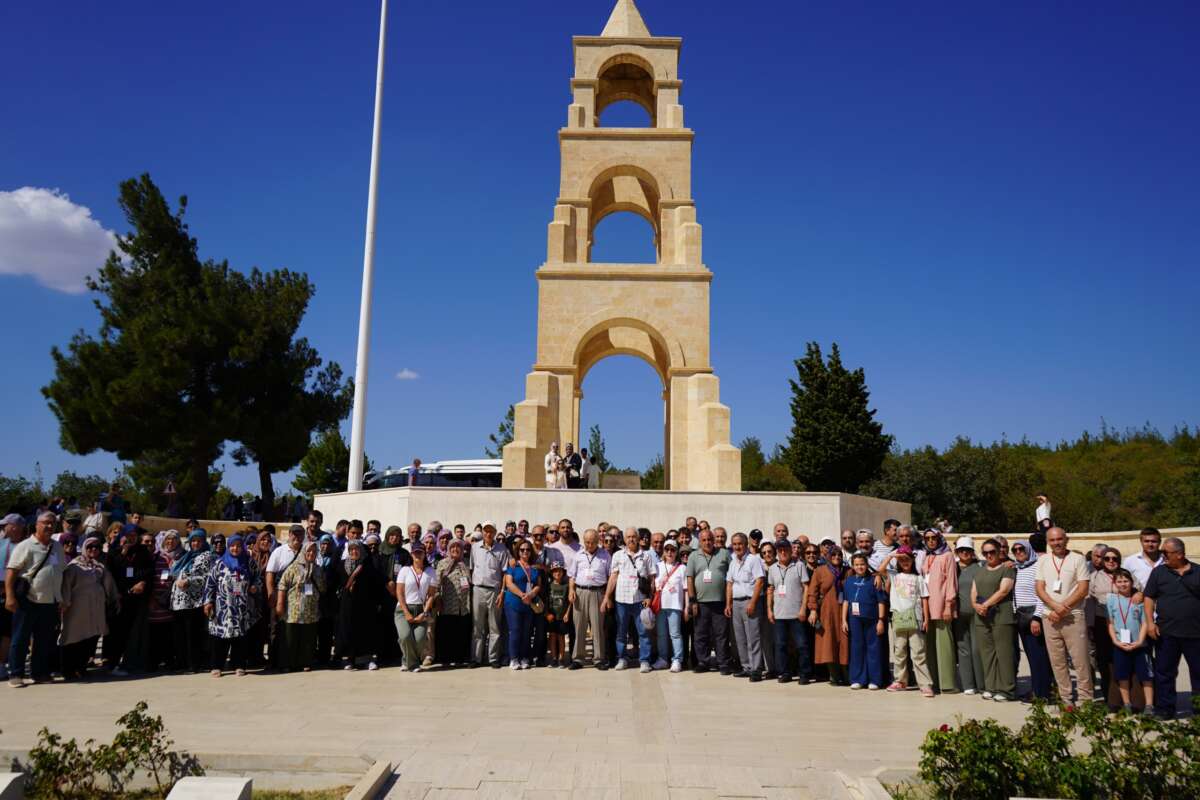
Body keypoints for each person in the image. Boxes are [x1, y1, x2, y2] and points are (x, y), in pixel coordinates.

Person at [5, 512, 67, 687]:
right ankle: (16, 674)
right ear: (37, 525)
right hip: (27, 600)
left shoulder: (57, 547)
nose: (49, 526)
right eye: (46, 523)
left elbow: (60, 572)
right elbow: (12, 571)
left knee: (43, 639)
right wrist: (10, 596)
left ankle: (39, 673)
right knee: (20, 638)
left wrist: (61, 598)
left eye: (52, 523)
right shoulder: (26, 546)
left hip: (49, 601)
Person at [1035, 527, 1093, 703]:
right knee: (1058, 662)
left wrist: (1063, 608)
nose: (1056, 543)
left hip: (1073, 616)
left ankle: (1085, 701)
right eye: (1052, 540)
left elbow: (1083, 589)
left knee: (1080, 661)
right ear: (1048, 542)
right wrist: (1054, 608)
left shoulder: (1078, 559)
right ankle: (1066, 699)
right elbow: (1039, 588)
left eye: (1060, 539)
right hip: (1050, 617)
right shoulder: (1044, 560)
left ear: (1066, 539)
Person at [1144, 537, 1200, 719]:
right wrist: (1150, 623)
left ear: (1180, 554)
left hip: (1195, 633)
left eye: (1165, 553)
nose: (1162, 556)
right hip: (1166, 632)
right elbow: (1149, 598)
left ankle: (1198, 710)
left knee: (1198, 673)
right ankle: (1165, 709)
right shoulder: (1159, 572)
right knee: (1164, 673)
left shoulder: (1198, 572)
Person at [60, 536, 119, 680]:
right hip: (76, 610)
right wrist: (65, 604)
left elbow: (109, 586)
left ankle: (81, 667)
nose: (93, 549)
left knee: (90, 639)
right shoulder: (74, 566)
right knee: (74, 639)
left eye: (97, 547)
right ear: (84, 548)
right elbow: (66, 586)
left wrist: (115, 600)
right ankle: (68, 670)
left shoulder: (100, 566)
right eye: (90, 546)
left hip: (96, 609)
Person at [203, 534, 262, 677]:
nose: (235, 548)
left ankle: (239, 664)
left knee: (240, 637)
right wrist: (208, 602)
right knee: (220, 637)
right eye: (233, 546)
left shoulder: (249, 562)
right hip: (223, 606)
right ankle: (217, 666)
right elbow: (210, 584)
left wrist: (255, 586)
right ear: (229, 547)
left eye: (238, 545)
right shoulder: (219, 563)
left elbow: (258, 578)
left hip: (242, 607)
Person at [971, 538, 1017, 702]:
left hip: (1001, 615)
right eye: (985, 553)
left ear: (999, 552)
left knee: (1003, 653)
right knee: (987, 653)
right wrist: (976, 606)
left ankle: (1007, 689)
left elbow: (1004, 590)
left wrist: (986, 604)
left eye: (992, 552)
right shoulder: (979, 571)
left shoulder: (1007, 569)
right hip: (982, 617)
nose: (989, 555)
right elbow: (974, 591)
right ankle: (990, 687)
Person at [104, 524, 153, 675]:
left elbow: (149, 570)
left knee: (133, 632)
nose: (131, 537)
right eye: (129, 534)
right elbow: (111, 573)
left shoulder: (143, 551)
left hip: (137, 598)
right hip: (120, 598)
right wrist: (123, 554)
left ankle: (130, 663)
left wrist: (143, 582)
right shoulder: (114, 553)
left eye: (134, 535)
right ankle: (112, 663)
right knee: (117, 632)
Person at [886, 547, 934, 697]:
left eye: (907, 559)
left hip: (916, 617)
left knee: (918, 652)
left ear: (913, 560)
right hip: (899, 618)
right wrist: (893, 555)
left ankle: (925, 684)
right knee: (899, 651)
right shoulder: (894, 576)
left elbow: (925, 598)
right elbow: (880, 569)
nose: (905, 562)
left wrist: (926, 619)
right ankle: (900, 680)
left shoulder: (918, 578)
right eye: (902, 559)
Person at [1011, 539, 1053, 701]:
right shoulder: (1018, 568)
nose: (1019, 552)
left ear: (1029, 549)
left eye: (1022, 549)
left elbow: (1042, 595)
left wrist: (1037, 617)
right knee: (1032, 657)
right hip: (1021, 617)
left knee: (1039, 657)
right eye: (1015, 550)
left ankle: (1042, 693)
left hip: (1034, 617)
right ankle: (1037, 689)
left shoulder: (1038, 567)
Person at [1107, 568, 1153, 714]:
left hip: (1140, 645)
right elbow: (1110, 623)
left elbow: (1145, 622)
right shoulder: (1111, 599)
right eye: (1119, 581)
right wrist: (1115, 641)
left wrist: (1140, 641)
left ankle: (1149, 705)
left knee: (1146, 675)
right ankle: (1126, 703)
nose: (1123, 584)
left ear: (1132, 582)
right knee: (1122, 675)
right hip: (1120, 645)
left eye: (1126, 581)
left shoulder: (1138, 599)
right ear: (1114, 583)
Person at [686, 529, 733, 674]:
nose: (707, 542)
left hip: (720, 602)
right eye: (704, 540)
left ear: (714, 540)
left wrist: (728, 602)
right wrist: (692, 601)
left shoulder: (724, 554)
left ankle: (723, 663)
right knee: (701, 634)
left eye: (709, 539)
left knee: (721, 634)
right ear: (699, 542)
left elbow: (731, 577)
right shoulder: (694, 556)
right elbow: (690, 579)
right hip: (701, 602)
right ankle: (703, 662)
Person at [275, 540, 326, 672]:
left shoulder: (318, 569)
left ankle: (305, 662)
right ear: (303, 551)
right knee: (290, 638)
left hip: (311, 610)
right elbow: (282, 585)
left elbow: (323, 588)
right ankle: (287, 663)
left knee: (308, 638)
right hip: (293, 610)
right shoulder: (293, 568)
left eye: (314, 551)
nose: (311, 553)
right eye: (309, 551)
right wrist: (280, 605)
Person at [767, 533, 810, 685]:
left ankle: (804, 673)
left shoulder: (799, 566)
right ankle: (784, 673)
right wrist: (769, 610)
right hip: (779, 614)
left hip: (796, 613)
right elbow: (770, 590)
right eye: (780, 550)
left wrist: (803, 608)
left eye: (785, 549)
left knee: (802, 645)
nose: (783, 552)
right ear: (777, 552)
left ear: (790, 550)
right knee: (781, 646)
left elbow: (806, 587)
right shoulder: (772, 568)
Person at [335, 539, 384, 670]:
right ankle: (350, 660)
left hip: (365, 604)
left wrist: (377, 602)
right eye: (351, 549)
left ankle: (367, 660)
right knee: (348, 630)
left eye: (356, 549)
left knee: (365, 631)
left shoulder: (368, 565)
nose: (354, 551)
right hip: (347, 604)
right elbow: (337, 583)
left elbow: (376, 585)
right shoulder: (341, 565)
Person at [171, 529, 214, 673]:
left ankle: (193, 664)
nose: (195, 544)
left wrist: (188, 581)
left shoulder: (207, 556)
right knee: (180, 635)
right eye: (193, 541)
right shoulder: (186, 556)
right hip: (178, 602)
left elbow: (206, 577)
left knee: (192, 635)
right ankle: (182, 662)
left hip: (193, 602)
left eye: (198, 541)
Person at [725, 532, 766, 681]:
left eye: (740, 544)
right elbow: (729, 583)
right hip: (736, 603)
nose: (737, 547)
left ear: (746, 544)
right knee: (739, 637)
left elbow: (759, 581)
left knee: (753, 637)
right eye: (734, 544)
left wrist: (753, 602)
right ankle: (746, 667)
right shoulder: (732, 561)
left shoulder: (753, 560)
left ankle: (756, 669)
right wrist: (728, 603)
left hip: (750, 601)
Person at [921, 529, 958, 693]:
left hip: (942, 606)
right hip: (927, 608)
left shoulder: (947, 555)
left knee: (944, 646)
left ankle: (948, 684)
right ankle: (934, 681)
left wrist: (949, 605)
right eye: (927, 538)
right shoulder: (927, 556)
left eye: (933, 538)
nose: (930, 541)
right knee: (929, 647)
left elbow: (951, 581)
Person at [568, 528, 610, 670]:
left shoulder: (605, 555)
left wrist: (607, 596)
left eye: (592, 542)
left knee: (597, 627)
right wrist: (571, 590)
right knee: (579, 626)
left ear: (598, 541)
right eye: (587, 542)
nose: (590, 545)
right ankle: (578, 658)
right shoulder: (578, 555)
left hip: (598, 593)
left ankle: (598, 659)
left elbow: (610, 577)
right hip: (580, 592)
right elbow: (572, 576)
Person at [842, 553, 885, 690]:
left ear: (867, 565)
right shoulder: (848, 581)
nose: (860, 567)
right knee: (856, 648)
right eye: (857, 565)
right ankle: (858, 679)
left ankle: (875, 680)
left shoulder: (874, 580)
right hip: (854, 619)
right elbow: (845, 601)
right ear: (852, 566)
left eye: (862, 564)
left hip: (872, 619)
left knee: (873, 649)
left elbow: (881, 602)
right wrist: (844, 620)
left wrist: (881, 620)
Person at [807, 545, 849, 685]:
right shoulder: (820, 571)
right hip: (826, 611)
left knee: (844, 642)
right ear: (828, 556)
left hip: (843, 611)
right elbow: (812, 592)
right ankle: (834, 675)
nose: (837, 558)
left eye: (839, 555)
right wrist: (813, 610)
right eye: (834, 555)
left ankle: (846, 674)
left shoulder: (847, 571)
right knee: (828, 642)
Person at [1088, 545, 1124, 705]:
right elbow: (1088, 598)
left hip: (1124, 622)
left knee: (1122, 659)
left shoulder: (1126, 575)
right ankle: (1110, 697)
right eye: (1107, 559)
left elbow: (1138, 591)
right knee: (1104, 659)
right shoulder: (1095, 577)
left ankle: (1126, 697)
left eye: (1114, 558)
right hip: (1101, 621)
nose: (1110, 561)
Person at [394, 542, 438, 672]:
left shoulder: (430, 572)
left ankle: (405, 660)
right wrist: (406, 612)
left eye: (421, 552)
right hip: (403, 609)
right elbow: (399, 592)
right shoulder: (405, 570)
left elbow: (431, 595)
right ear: (412, 554)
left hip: (420, 609)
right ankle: (412, 665)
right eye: (415, 552)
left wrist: (424, 613)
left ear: (425, 554)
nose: (418, 555)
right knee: (405, 636)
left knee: (419, 640)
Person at [471, 522, 509, 668]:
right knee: (477, 626)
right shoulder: (475, 547)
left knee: (494, 626)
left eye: (491, 531)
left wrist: (502, 592)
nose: (488, 533)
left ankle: (493, 658)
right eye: (486, 531)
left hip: (494, 591)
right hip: (478, 589)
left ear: (494, 532)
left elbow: (505, 572)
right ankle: (476, 658)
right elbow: (472, 568)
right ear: (483, 532)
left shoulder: (501, 549)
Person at [503, 539, 543, 669]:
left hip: (528, 604)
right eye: (522, 550)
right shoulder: (513, 566)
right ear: (518, 551)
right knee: (515, 631)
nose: (525, 552)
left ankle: (524, 657)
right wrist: (522, 595)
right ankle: (514, 658)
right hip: (513, 603)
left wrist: (530, 595)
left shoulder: (534, 568)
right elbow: (509, 583)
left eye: (528, 549)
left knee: (527, 632)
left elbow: (538, 585)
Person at [434, 538, 472, 667]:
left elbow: (471, 581)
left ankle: (460, 657)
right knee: (448, 632)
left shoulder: (466, 563)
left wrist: (463, 566)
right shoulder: (442, 563)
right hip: (448, 605)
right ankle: (446, 658)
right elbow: (437, 583)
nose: (455, 550)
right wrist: (437, 599)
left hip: (464, 605)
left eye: (458, 547)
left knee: (461, 632)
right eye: (452, 548)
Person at [546, 562, 572, 668]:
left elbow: (569, 602)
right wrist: (547, 613)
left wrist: (567, 613)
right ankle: (553, 658)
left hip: (562, 616)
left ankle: (561, 658)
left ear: (563, 573)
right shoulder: (549, 586)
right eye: (555, 571)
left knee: (561, 638)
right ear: (552, 573)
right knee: (552, 637)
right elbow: (546, 601)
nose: (557, 573)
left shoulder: (566, 586)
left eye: (559, 571)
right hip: (552, 616)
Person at [1122, 528, 1163, 594]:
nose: (1150, 544)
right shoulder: (1130, 561)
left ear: (1160, 542)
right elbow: (1123, 582)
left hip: (1164, 600)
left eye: (1154, 541)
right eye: (1146, 541)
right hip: (1139, 601)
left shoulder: (1167, 559)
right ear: (1141, 542)